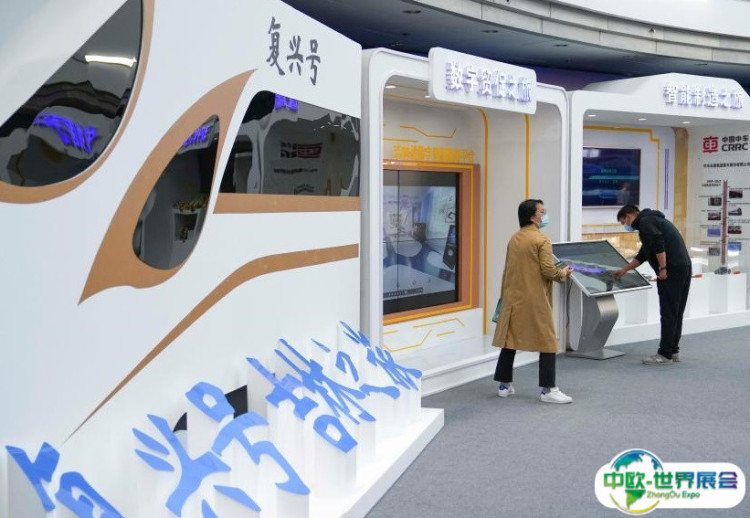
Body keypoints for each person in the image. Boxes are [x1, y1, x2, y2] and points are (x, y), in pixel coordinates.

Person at [492, 199, 574, 403]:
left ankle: (504, 385)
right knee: (547, 341)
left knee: (509, 340)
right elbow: (548, 270)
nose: (544, 215)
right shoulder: (542, 239)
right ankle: (548, 390)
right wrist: (563, 272)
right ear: (532, 217)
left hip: (513, 297)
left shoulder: (514, 238)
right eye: (542, 212)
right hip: (535, 298)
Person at [613, 205, 692, 365]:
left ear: (628, 216)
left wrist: (663, 268)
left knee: (668, 312)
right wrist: (624, 269)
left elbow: (658, 243)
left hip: (671, 270)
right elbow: (643, 255)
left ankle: (664, 354)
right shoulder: (653, 221)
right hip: (683, 267)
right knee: (676, 312)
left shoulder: (645, 222)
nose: (625, 225)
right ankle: (673, 350)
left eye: (623, 222)